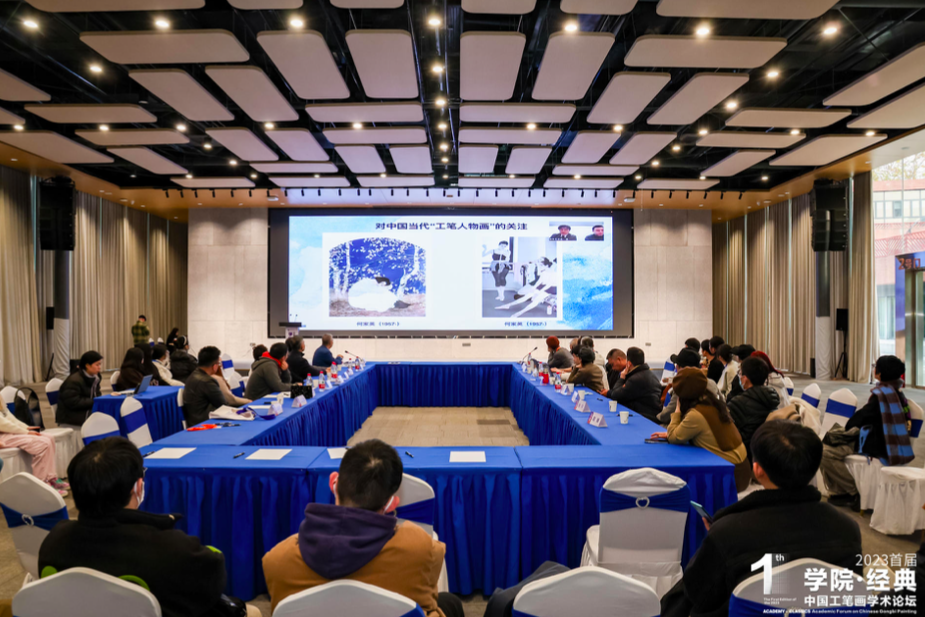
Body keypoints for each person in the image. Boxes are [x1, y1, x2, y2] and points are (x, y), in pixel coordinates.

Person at [661, 421, 861, 617]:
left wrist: (718, 538)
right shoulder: (848, 529)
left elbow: (696, 594)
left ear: (757, 470)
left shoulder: (729, 533)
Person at [37, 437, 255, 617]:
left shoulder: (54, 540)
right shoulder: (171, 547)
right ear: (138, 486)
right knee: (252, 611)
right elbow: (213, 578)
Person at [262, 440, 463, 617]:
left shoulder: (277, 561)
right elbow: (428, 601)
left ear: (333, 483)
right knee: (449, 603)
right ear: (391, 504)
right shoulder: (420, 548)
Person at [820, 355, 914, 509]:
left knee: (824, 452)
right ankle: (841, 492)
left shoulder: (882, 396)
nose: (874, 368)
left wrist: (850, 428)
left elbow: (857, 420)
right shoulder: (897, 393)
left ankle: (852, 493)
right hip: (894, 445)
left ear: (880, 373)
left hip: (878, 446)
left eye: (876, 366)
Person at [651, 368, 751, 492]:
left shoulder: (696, 414)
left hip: (729, 474)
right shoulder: (714, 404)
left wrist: (677, 410)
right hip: (742, 467)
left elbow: (673, 438)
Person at [0, 392, 68, 495]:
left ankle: (51, 477)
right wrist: (25, 432)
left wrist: (26, 428)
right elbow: (2, 423)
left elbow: (7, 415)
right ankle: (42, 483)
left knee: (49, 437)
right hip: (2, 436)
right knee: (41, 444)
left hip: (7, 432)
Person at [727, 356, 780, 460]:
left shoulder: (737, 403)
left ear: (745, 379)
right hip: (768, 452)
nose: (739, 376)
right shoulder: (773, 398)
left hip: (744, 455)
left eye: (740, 373)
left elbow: (728, 436)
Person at [657, 349, 723, 425]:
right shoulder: (711, 383)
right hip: (711, 424)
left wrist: (657, 417)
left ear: (682, 368)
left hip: (687, 426)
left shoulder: (681, 385)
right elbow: (722, 402)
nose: (676, 368)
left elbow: (669, 412)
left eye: (677, 365)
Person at [602, 347, 662, 422]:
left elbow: (616, 395)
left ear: (629, 363)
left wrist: (622, 378)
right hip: (652, 414)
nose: (612, 368)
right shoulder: (650, 374)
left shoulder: (635, 378)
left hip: (645, 418)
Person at [182, 346, 228, 427]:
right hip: (205, 423)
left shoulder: (193, 375)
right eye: (219, 363)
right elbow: (223, 405)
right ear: (214, 366)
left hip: (194, 421)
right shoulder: (207, 381)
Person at [56, 350, 103, 427]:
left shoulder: (95, 378)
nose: (99, 367)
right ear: (87, 365)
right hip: (71, 416)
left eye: (100, 364)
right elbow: (73, 402)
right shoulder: (74, 381)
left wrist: (99, 400)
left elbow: (97, 394)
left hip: (84, 410)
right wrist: (95, 401)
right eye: (97, 365)